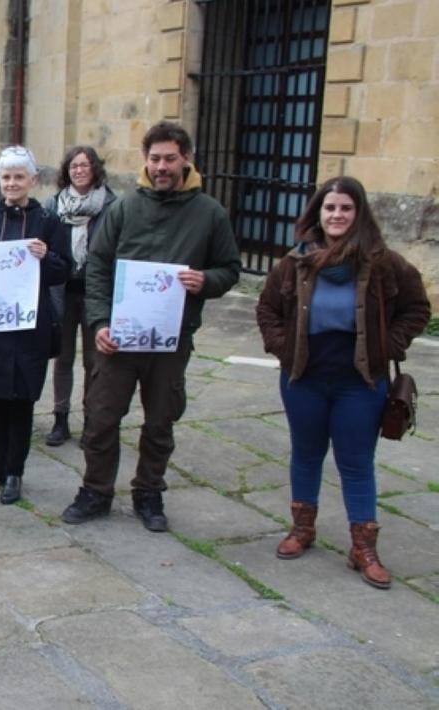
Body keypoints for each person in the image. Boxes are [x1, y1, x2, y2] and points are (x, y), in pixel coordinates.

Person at [61, 121, 241, 532]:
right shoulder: (124, 208)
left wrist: (205, 281)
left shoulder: (209, 214)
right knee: (101, 417)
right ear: (146, 160)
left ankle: (149, 492)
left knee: (160, 421)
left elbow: (229, 268)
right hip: (118, 340)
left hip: (170, 341)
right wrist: (100, 323)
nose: (162, 166)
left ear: (186, 159)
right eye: (155, 158)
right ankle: (96, 490)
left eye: (170, 158)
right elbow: (99, 269)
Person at [256, 176, 430, 590]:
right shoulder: (293, 262)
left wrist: (388, 344)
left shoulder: (383, 262)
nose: (336, 215)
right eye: (330, 208)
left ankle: (363, 547)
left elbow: (417, 307)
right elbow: (267, 310)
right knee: (306, 453)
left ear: (359, 214)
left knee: (356, 463)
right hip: (304, 378)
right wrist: (283, 348)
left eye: (345, 209)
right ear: (318, 212)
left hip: (359, 382)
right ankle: (302, 529)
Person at [0, 147, 70, 504]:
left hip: (28, 329)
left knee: (21, 401)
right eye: (6, 177)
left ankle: (15, 470)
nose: (12, 183)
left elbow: (63, 270)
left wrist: (45, 257)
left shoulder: (49, 222)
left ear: (32, 180)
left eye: (20, 176)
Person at [43, 146, 116, 446]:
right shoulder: (54, 205)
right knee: (63, 358)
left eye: (85, 165)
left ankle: (91, 418)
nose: (79, 170)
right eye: (74, 166)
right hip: (62, 291)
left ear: (95, 168)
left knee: (93, 360)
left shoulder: (110, 205)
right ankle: (60, 418)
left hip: (94, 292)